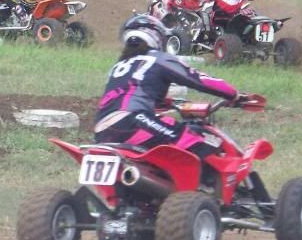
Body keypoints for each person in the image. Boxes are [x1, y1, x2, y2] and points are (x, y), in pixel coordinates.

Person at [94, 15, 246, 166]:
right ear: (156, 35)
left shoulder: (118, 66)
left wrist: (168, 102)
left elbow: (133, 93)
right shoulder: (158, 58)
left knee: (159, 159)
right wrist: (233, 94)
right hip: (133, 121)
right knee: (196, 142)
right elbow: (198, 79)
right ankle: (201, 181)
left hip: (101, 132)